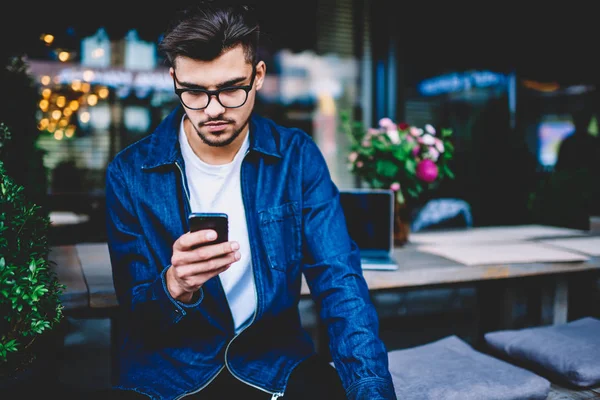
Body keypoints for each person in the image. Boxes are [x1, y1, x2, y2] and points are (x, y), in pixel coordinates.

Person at [104, 2, 396, 399]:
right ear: (174, 81)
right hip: (169, 376)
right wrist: (175, 285)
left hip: (275, 365)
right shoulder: (129, 173)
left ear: (257, 76)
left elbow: (339, 281)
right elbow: (137, 317)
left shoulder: (296, 157)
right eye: (194, 92)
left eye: (230, 89)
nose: (214, 109)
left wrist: (371, 390)